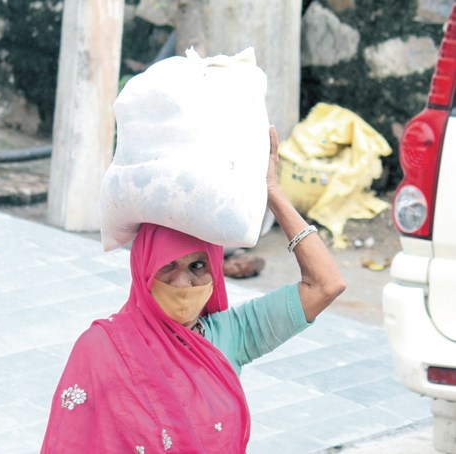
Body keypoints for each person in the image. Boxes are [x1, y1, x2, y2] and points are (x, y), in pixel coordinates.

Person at [41, 127, 347, 452]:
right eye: (167, 266)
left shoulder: (231, 334)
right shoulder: (101, 348)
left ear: (215, 271)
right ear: (144, 270)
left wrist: (272, 191)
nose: (182, 282)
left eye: (197, 266)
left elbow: (326, 285)